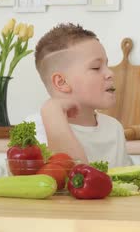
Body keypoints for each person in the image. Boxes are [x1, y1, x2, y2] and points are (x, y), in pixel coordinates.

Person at [25, 23, 132, 167]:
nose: (110, 73)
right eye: (96, 67)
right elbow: (73, 178)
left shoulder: (114, 128)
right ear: (61, 82)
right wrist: (52, 111)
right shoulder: (36, 128)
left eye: (107, 65)